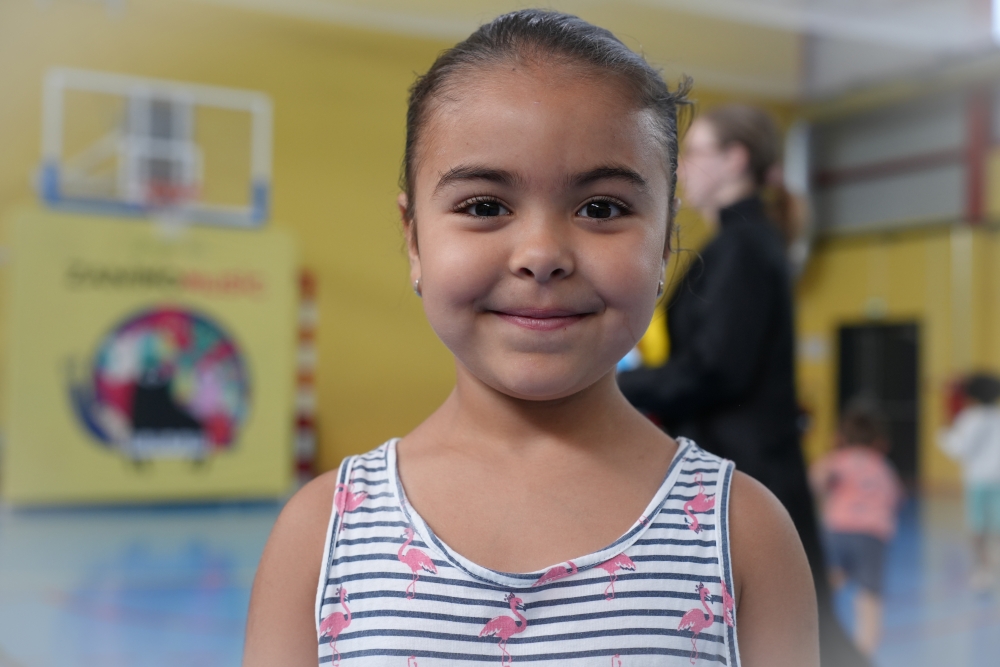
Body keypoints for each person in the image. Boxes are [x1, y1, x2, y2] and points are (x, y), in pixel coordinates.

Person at [243, 11, 817, 666]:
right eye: (485, 206)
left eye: (601, 208)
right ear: (414, 240)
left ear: (665, 242)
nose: (541, 254)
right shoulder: (321, 536)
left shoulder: (744, 535)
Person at [616, 104, 868, 666]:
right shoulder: (742, 243)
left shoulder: (743, 248)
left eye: (696, 153)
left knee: (801, 640)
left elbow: (717, 371)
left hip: (749, 471)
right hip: (745, 463)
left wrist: (616, 388)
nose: (684, 168)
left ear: (735, 160)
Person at [810, 400, 903, 657]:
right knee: (869, 598)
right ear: (881, 443)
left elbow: (815, 481)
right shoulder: (883, 466)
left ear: (840, 438)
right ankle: (863, 653)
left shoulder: (836, 461)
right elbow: (895, 498)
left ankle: (813, 633)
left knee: (828, 583)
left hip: (837, 531)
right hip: (872, 535)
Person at [940, 372, 1000, 591]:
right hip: (997, 480)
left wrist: (945, 433)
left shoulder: (971, 418)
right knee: (996, 526)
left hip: (978, 481)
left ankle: (982, 570)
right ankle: (989, 568)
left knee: (977, 527)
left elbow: (959, 449)